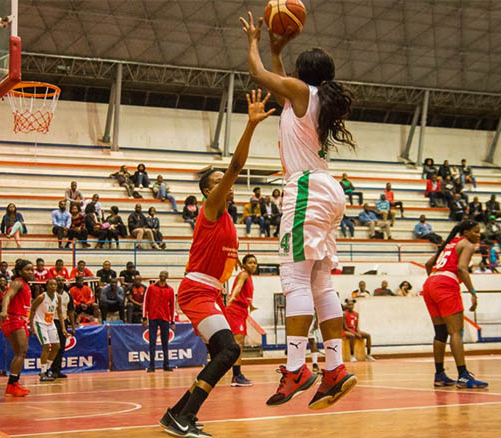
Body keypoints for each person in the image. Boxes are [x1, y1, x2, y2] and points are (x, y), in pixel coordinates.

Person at [243, 15, 357, 410]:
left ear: (302, 74)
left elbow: (258, 75)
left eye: (291, 69)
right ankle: (336, 367)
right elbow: (280, 87)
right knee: (320, 285)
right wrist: (278, 51)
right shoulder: (310, 99)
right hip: (328, 189)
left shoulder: (300, 91)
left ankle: (297, 367)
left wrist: (256, 42)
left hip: (306, 189)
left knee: (293, 278)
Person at [159, 88, 272, 437]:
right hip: (197, 291)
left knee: (221, 355)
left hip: (210, 292)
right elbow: (236, 167)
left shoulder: (225, 220)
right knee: (230, 350)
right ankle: (183, 418)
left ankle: (176, 414)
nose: (227, 184)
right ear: (210, 191)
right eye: (218, 181)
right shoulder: (212, 209)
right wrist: (251, 125)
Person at [422, 220, 488, 388]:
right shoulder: (467, 244)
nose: (479, 235)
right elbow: (461, 269)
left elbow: (429, 264)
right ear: (466, 232)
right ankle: (463, 375)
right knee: (456, 332)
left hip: (430, 283)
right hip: (446, 284)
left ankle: (440, 375)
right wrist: (473, 293)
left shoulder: (449, 243)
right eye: (476, 231)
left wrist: (436, 279)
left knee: (440, 333)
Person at [0, 259, 34, 397]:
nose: (31, 272)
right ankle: (12, 385)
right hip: (13, 319)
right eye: (27, 269)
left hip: (20, 320)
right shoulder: (18, 282)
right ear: (19, 271)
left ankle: (14, 383)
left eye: (32, 269)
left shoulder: (25, 284)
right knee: (21, 352)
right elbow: (7, 296)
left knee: (20, 353)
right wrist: (4, 310)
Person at [224, 254, 259, 386]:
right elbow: (238, 287)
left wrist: (251, 306)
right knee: (238, 344)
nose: (253, 265)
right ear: (244, 265)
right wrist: (232, 296)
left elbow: (246, 294)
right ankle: (236, 376)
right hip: (235, 310)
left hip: (242, 311)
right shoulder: (244, 275)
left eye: (255, 263)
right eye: (250, 262)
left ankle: (237, 374)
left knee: (240, 344)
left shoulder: (249, 278)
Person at [30, 278, 67, 382]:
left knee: (57, 346)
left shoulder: (58, 297)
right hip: (40, 323)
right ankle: (42, 372)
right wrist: (31, 326)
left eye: (55, 284)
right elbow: (32, 309)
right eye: (51, 284)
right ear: (47, 286)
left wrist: (63, 327)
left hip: (50, 323)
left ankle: (47, 369)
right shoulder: (41, 297)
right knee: (46, 346)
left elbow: (59, 313)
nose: (53, 286)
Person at [143, 271, 176, 373]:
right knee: (152, 342)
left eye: (164, 274)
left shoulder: (170, 289)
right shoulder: (151, 288)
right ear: (159, 276)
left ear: (167, 277)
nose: (162, 276)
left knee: (165, 342)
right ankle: (151, 366)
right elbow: (145, 302)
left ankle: (166, 365)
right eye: (161, 274)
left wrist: (173, 321)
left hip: (165, 318)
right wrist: (144, 317)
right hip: (153, 317)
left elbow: (172, 306)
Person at [50, 275, 75, 379]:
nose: (60, 282)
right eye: (57, 280)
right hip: (51, 321)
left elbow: (71, 311)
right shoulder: (50, 295)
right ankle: (49, 369)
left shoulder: (68, 295)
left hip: (63, 322)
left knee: (61, 347)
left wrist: (72, 326)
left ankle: (57, 370)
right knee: (54, 347)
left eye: (61, 280)